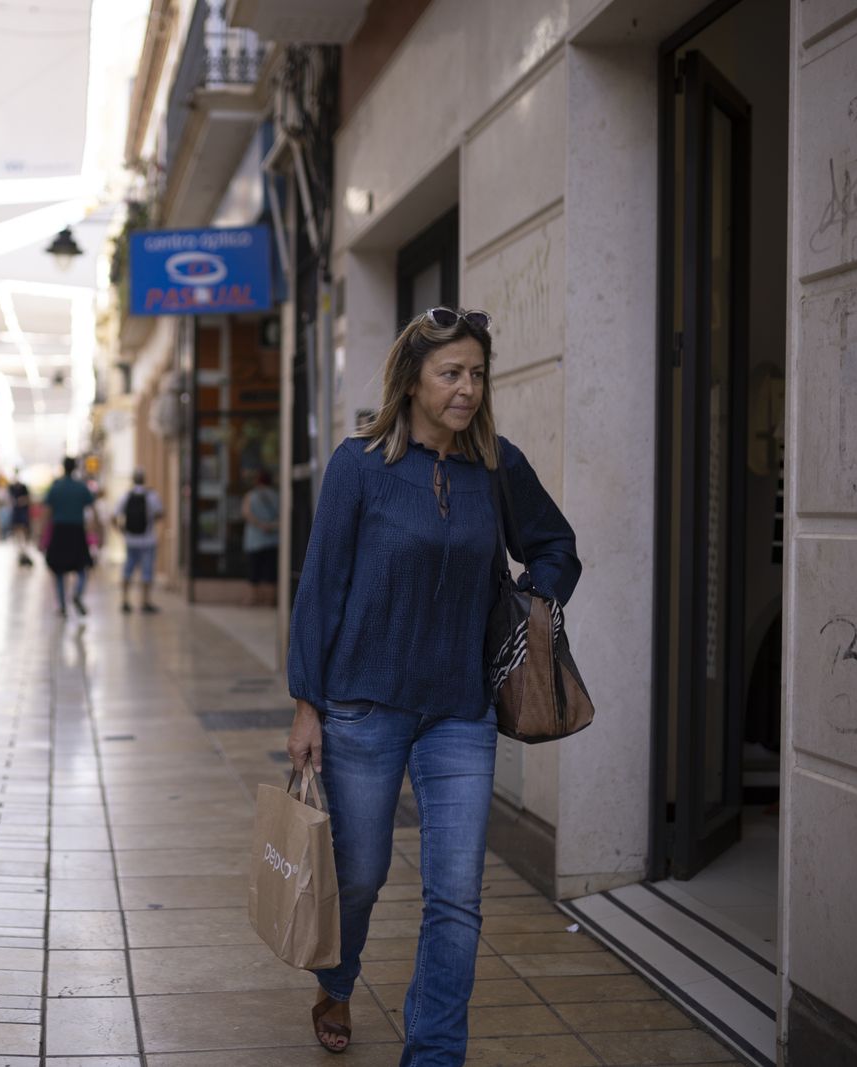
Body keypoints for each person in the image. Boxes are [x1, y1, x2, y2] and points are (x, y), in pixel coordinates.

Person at [284, 307, 580, 1061]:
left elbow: (555, 544)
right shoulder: (360, 465)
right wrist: (306, 703)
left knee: (455, 896)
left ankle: (435, 1050)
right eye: (452, 373)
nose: (468, 388)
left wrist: (534, 600)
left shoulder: (496, 467)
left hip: (461, 709)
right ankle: (338, 979)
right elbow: (321, 587)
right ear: (412, 379)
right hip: (363, 704)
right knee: (360, 873)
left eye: (477, 373)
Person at [44, 457, 97, 617]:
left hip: (59, 531)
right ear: (74, 468)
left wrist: (42, 535)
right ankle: (77, 593)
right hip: (76, 531)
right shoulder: (81, 487)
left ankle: (62, 605)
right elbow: (92, 511)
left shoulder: (56, 487)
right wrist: (97, 532)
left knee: (59, 569)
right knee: (82, 567)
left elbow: (46, 513)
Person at [115, 470, 163, 614]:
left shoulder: (125, 496)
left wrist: (123, 532)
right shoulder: (152, 496)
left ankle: (125, 601)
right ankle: (145, 602)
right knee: (147, 572)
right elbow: (160, 514)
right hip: (147, 541)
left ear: (133, 480)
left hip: (131, 540)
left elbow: (114, 517)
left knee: (127, 571)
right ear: (144, 479)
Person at [241, 469, 279, 606]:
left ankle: (252, 599)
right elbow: (284, 517)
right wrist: (271, 526)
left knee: (253, 571)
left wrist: (260, 525)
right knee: (271, 572)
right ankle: (270, 600)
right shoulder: (277, 495)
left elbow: (246, 513)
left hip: (254, 540)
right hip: (273, 539)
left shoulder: (250, 496)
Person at [8, 475, 34, 566]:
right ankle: (20, 549)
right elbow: (10, 499)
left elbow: (28, 498)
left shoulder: (24, 487)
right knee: (17, 530)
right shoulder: (11, 487)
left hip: (22, 512)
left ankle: (24, 548)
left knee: (24, 529)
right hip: (16, 512)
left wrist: (21, 501)